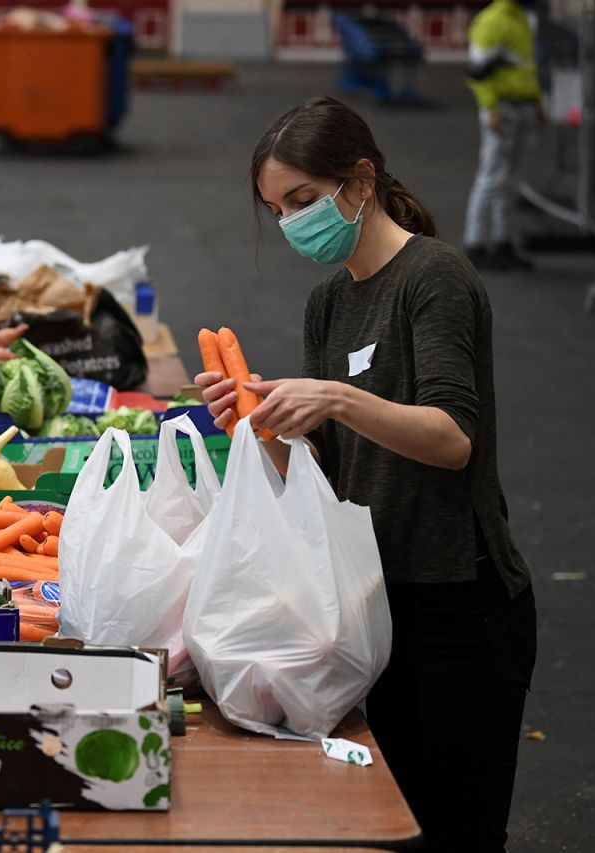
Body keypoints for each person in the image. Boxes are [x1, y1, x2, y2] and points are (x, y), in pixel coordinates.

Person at [198, 96, 538, 853]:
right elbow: (329, 468)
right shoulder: (329, 305)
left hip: (460, 605)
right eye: (278, 209)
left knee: (457, 832)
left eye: (303, 201)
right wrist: (261, 427)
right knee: (379, 829)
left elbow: (454, 439)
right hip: (368, 605)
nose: (291, 224)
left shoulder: (435, 277)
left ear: (361, 180)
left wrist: (339, 398)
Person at [462, 0, 545, 271]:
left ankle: (503, 242)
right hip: (502, 108)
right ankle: (474, 243)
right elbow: (477, 72)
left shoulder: (521, 19)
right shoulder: (492, 21)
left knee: (509, 179)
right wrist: (489, 108)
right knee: (491, 176)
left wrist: (538, 103)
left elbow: (527, 69)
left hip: (522, 106)